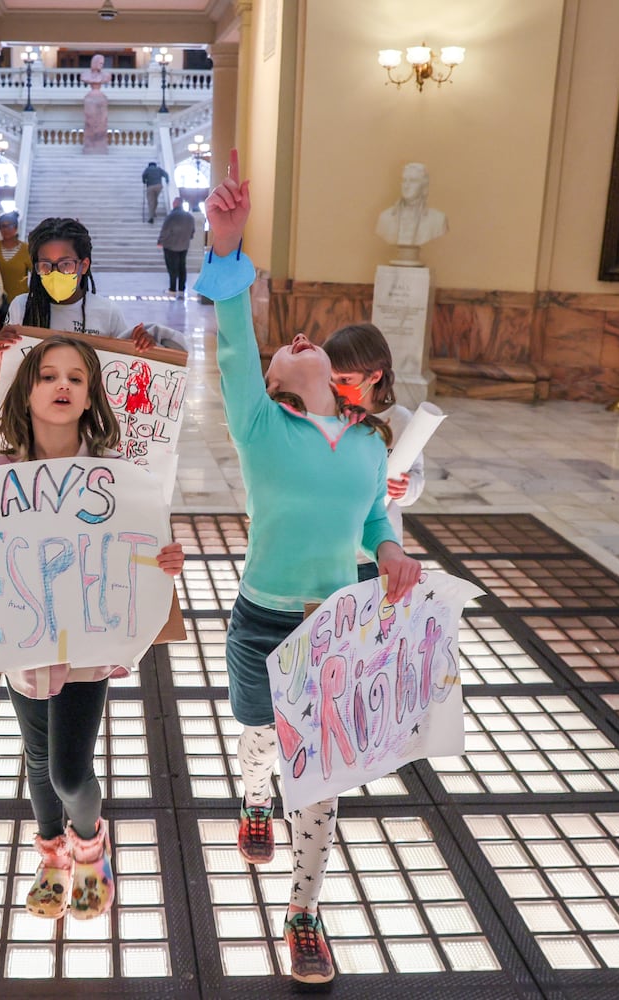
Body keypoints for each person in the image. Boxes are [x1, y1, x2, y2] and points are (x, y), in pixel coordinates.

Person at [194, 150, 422, 986]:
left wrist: (391, 549)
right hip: (259, 622)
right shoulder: (263, 430)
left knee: (321, 776)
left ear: (340, 378)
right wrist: (227, 247)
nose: (296, 341)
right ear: (284, 381)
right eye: (287, 345)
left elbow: (371, 520)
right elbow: (229, 348)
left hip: (337, 623)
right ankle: (254, 799)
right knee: (258, 740)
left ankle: (303, 910)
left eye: (311, 343)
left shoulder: (365, 444)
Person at [0, 335, 184, 919]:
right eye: (48, 375)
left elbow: (143, 542)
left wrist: (165, 559)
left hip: (87, 641)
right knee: (36, 758)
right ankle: (51, 852)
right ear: (25, 391)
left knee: (68, 769)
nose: (61, 386)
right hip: (21, 640)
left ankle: (90, 843)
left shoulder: (115, 474)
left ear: (90, 397)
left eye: (75, 378)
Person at [324, 323, 426, 581]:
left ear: (375, 376)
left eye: (345, 380)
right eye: (331, 379)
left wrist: (407, 488)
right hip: (329, 548)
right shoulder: (327, 414)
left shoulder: (402, 421)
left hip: (377, 553)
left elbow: (416, 476)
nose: (336, 388)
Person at [1, 216, 186, 350]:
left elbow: (123, 366)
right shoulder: (21, 307)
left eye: (66, 265)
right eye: (45, 265)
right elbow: (7, 373)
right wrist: (1, 350)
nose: (55, 273)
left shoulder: (107, 312)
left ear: (83, 265)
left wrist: (144, 346)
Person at [374, 162, 449, 249]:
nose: (406, 185)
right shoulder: (385, 217)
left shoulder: (438, 220)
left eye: (413, 181)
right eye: (404, 180)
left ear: (423, 186)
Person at [157, 196, 197, 294]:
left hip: (170, 246)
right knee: (182, 267)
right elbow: (192, 231)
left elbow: (165, 230)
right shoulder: (189, 216)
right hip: (184, 245)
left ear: (175, 204)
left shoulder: (171, 216)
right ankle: (181, 288)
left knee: (172, 267)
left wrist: (160, 241)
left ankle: (172, 288)